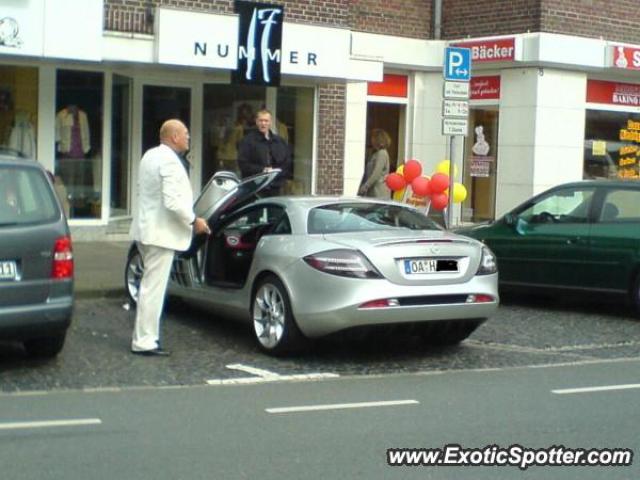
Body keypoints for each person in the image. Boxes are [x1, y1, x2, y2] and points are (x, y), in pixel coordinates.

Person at [129, 119, 210, 356]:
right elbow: (173, 201)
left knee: (148, 287)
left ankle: (144, 337)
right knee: (152, 289)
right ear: (174, 136)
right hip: (160, 234)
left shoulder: (149, 156)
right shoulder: (170, 161)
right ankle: (144, 341)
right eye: (185, 134)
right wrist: (195, 221)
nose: (188, 138)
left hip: (146, 230)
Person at [237, 109, 291, 196]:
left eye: (266, 121)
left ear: (270, 122)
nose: (263, 123)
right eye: (261, 120)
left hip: (275, 186)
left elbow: (286, 162)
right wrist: (262, 170)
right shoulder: (248, 141)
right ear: (256, 122)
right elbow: (243, 164)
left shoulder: (279, 141)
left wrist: (277, 174)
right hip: (255, 187)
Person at [358, 128, 391, 199]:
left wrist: (365, 186)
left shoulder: (382, 153)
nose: (371, 140)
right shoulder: (375, 153)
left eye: (373, 138)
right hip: (372, 191)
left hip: (378, 192)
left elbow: (376, 173)